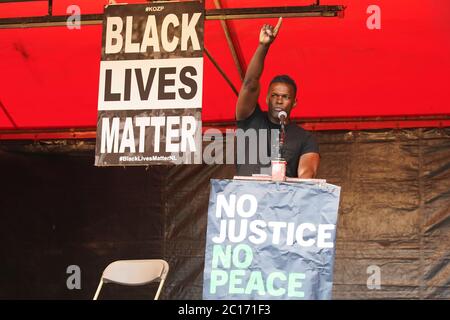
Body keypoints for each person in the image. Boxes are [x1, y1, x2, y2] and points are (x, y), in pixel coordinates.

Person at [235, 17, 320, 178]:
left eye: (285, 97)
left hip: (281, 202)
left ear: (294, 102)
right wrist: (263, 46)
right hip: (247, 200)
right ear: (267, 98)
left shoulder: (304, 138)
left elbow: (307, 175)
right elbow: (249, 84)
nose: (279, 100)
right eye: (274, 95)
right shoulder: (250, 120)